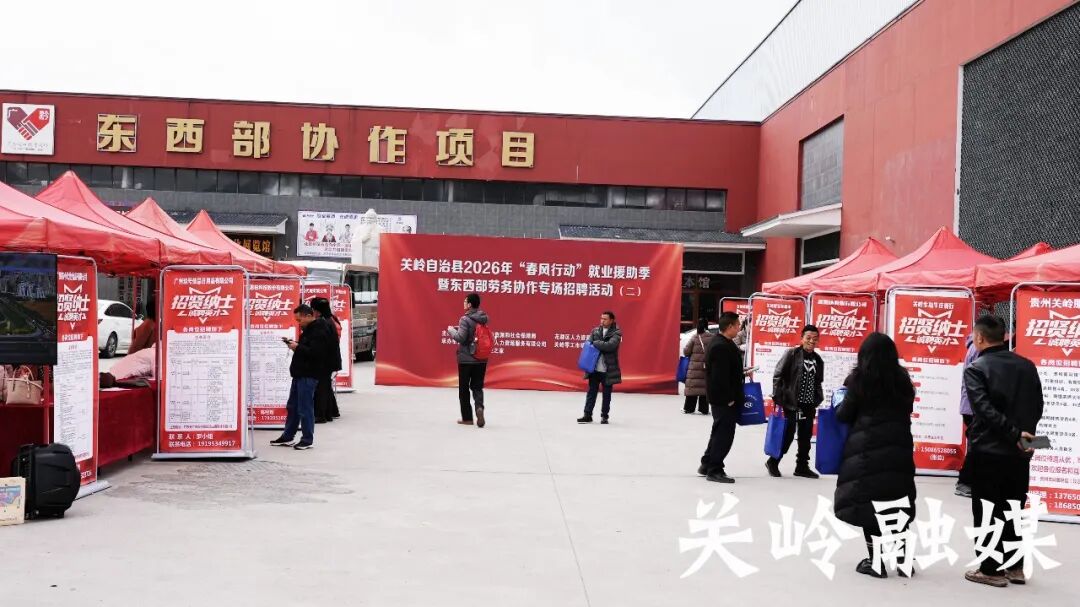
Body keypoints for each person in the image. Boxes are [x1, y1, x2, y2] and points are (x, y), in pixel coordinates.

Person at [962, 314, 1043, 588]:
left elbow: (983, 410)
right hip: (1021, 451)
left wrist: (1014, 434)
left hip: (988, 450)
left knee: (988, 509)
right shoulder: (1027, 366)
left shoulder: (976, 368)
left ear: (980, 338)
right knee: (1014, 508)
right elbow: (1037, 406)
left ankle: (991, 569)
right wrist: (1024, 436)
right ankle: (1015, 567)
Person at [833, 333, 917, 578]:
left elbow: (844, 415)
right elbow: (907, 408)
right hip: (898, 448)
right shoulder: (902, 380)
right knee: (897, 501)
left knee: (870, 507)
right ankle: (903, 560)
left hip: (867, 451)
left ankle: (877, 562)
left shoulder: (859, 380)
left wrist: (839, 399)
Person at [271, 304, 336, 450]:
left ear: (308, 316)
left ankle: (307, 439)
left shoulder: (319, 330)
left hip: (308, 374)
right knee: (293, 407)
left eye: (299, 320)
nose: (298, 323)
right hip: (299, 373)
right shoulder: (309, 329)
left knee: (305, 408)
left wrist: (297, 347)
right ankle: (288, 436)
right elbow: (308, 349)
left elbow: (317, 353)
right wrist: (296, 345)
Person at [768, 324, 824, 479]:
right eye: (808, 338)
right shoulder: (792, 354)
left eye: (815, 338)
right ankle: (773, 461)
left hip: (809, 404)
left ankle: (802, 466)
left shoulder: (818, 360)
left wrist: (817, 398)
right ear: (802, 338)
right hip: (791, 403)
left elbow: (818, 381)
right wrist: (778, 397)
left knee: (806, 436)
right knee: (788, 433)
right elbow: (778, 375)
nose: (811, 341)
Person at [697, 312, 744, 483]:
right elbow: (719, 377)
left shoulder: (725, 343)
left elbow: (727, 370)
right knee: (724, 435)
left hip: (724, 397)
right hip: (724, 399)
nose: (739, 328)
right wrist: (728, 399)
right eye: (737, 325)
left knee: (718, 432)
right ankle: (715, 469)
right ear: (730, 326)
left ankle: (706, 464)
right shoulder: (720, 346)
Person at [448, 293, 489, 428]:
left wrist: (451, 331)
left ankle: (467, 418)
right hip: (481, 359)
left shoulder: (464, 319)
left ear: (470, 304)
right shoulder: (483, 318)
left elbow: (461, 338)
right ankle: (479, 408)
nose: (464, 303)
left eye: (465, 301)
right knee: (477, 387)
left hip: (466, 359)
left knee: (464, 389)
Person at [577, 310, 622, 424]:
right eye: (601, 318)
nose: (602, 321)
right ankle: (587, 415)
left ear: (611, 320)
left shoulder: (617, 333)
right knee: (591, 393)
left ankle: (604, 416)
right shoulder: (595, 330)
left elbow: (610, 346)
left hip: (608, 370)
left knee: (606, 395)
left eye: (605, 319)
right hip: (594, 369)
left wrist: (596, 343)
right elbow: (588, 344)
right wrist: (599, 344)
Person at [310, 297, 343, 423]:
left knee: (321, 387)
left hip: (325, 360)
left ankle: (321, 415)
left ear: (317, 310)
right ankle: (332, 411)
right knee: (326, 385)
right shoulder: (332, 319)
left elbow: (322, 343)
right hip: (332, 358)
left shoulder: (322, 322)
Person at [955, 334, 978, 497]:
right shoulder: (977, 348)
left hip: (972, 406)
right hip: (973, 407)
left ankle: (967, 481)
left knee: (976, 445)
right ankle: (965, 482)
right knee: (976, 446)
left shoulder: (975, 346)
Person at [682, 317, 714, 415]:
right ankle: (704, 409)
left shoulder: (695, 337)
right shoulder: (712, 337)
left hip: (694, 367)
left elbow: (686, 351)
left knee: (692, 387)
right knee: (704, 387)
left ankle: (689, 408)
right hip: (706, 367)